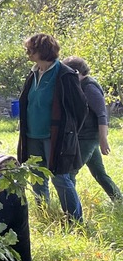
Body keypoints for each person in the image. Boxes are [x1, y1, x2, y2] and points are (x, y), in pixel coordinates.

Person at [16, 33, 86, 222]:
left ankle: (76, 221)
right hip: (31, 136)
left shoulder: (65, 75)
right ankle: (45, 216)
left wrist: (69, 134)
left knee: (60, 178)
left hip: (55, 138)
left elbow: (80, 109)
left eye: (30, 49)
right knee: (37, 178)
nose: (27, 53)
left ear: (42, 50)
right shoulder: (33, 73)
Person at [63, 56, 122, 203]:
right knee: (99, 172)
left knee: (69, 173)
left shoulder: (89, 87)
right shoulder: (78, 85)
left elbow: (102, 114)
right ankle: (119, 200)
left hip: (89, 138)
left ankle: (72, 209)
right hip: (82, 136)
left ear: (76, 72)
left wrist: (103, 140)